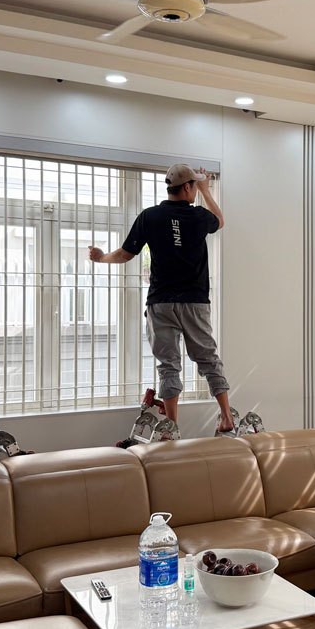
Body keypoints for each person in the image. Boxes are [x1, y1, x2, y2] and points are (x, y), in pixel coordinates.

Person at [89, 163, 235, 433]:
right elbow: (220, 220)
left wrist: (101, 258)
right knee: (208, 359)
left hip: (161, 303)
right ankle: (227, 418)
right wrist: (207, 190)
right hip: (194, 302)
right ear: (188, 187)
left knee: (168, 366)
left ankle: (171, 428)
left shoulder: (150, 216)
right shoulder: (199, 216)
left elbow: (125, 254)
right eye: (194, 186)